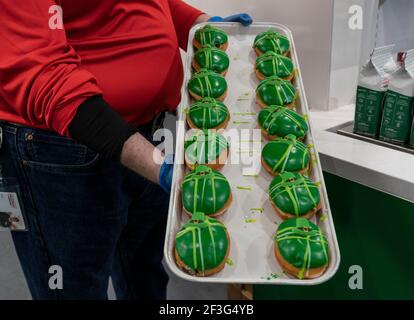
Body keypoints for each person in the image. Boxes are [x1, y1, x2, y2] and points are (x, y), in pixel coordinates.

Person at [0, 1, 252, 300]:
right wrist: (159, 166)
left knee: (144, 274)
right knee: (72, 288)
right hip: (57, 155)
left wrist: (198, 23)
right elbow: (41, 74)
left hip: (151, 135)